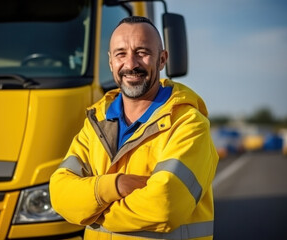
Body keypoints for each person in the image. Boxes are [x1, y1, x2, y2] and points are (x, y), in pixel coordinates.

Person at [50, 16, 219, 240]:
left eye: (142, 52)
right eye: (121, 54)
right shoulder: (95, 123)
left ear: (162, 60)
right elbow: (60, 194)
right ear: (110, 62)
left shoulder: (189, 123)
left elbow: (165, 207)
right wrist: (114, 185)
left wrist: (93, 213)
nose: (130, 64)